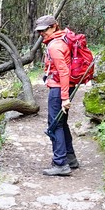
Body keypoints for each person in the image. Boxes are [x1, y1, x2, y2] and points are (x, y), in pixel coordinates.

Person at [35, 14, 78, 176]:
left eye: (44, 30)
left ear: (54, 26)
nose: (42, 33)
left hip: (59, 89)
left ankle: (60, 163)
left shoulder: (55, 46)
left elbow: (63, 72)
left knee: (55, 125)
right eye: (39, 31)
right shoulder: (62, 40)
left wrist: (65, 97)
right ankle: (70, 158)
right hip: (64, 87)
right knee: (62, 123)